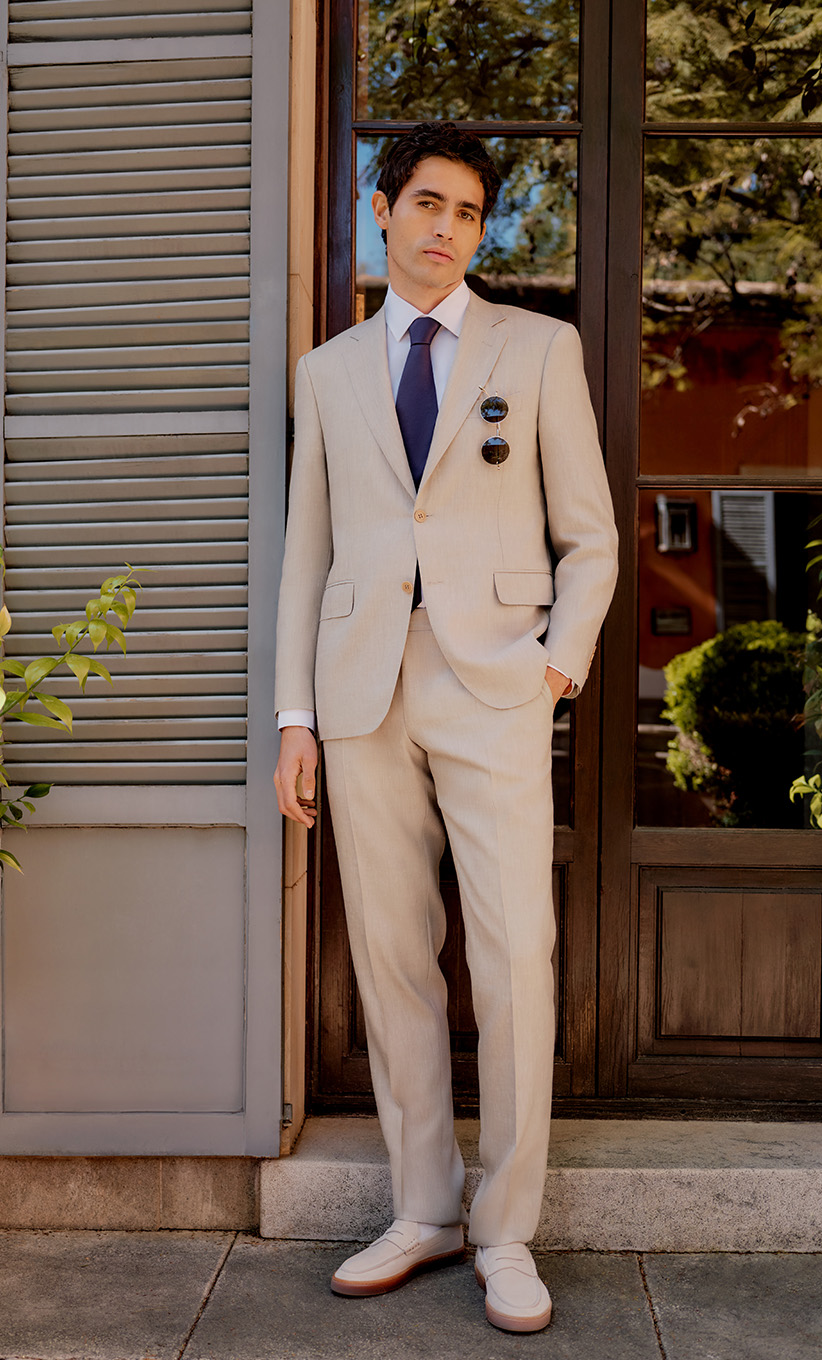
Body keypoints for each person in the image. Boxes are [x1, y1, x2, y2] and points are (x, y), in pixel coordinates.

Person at [273, 121, 617, 1334]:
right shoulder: (327, 372)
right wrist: (296, 717)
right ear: (382, 207)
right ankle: (420, 1206)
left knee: (514, 951)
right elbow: (305, 549)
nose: (446, 229)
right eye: (428, 203)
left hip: (496, 686)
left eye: (469, 213)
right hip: (361, 689)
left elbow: (592, 535)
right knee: (390, 953)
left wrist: (555, 669)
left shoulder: (539, 348)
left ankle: (505, 1230)